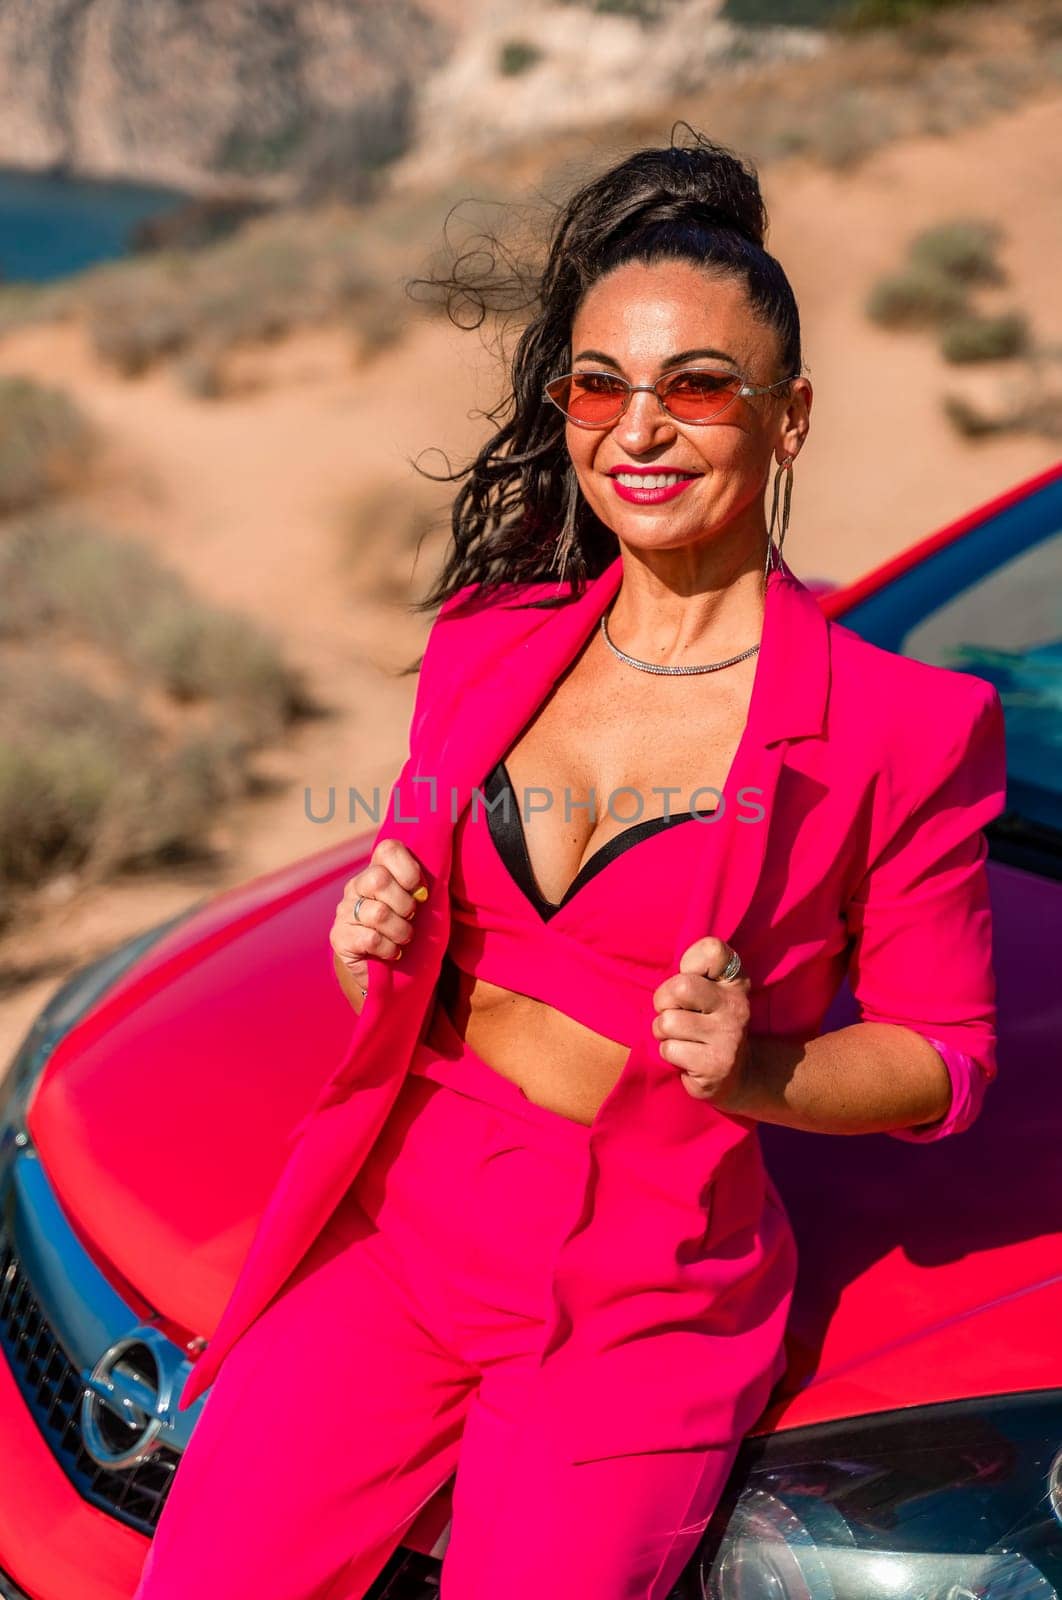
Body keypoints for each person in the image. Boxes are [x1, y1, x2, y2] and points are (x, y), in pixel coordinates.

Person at [133, 129, 1007, 1600]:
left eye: (696, 385)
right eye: (599, 384)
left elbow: (948, 1054)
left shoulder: (902, 728)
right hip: (399, 1228)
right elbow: (402, 960)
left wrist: (759, 1073)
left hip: (640, 1303)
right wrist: (378, 935)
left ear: (786, 416)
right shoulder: (486, 646)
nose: (638, 430)